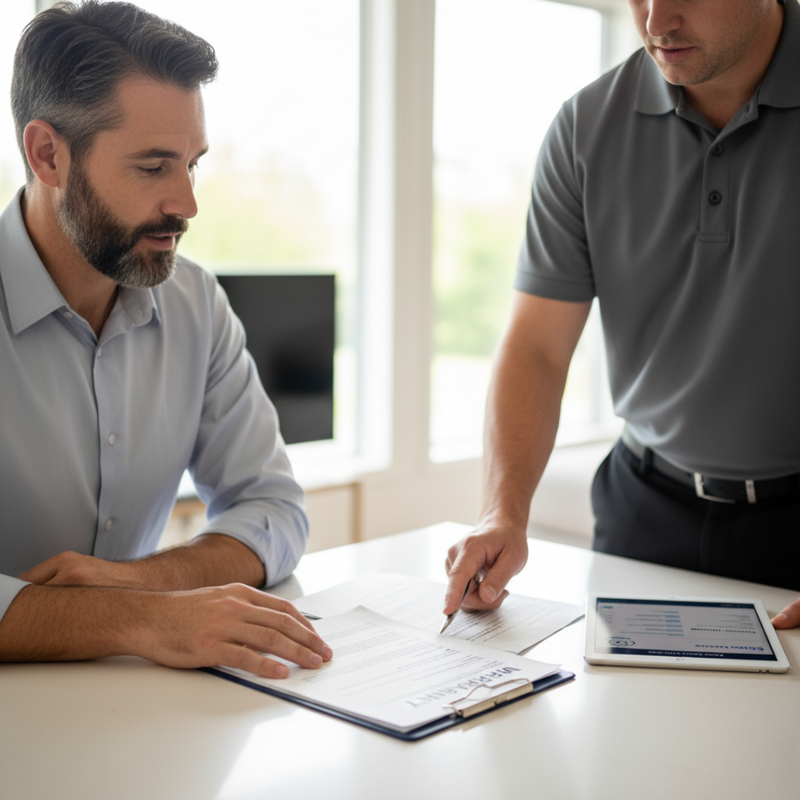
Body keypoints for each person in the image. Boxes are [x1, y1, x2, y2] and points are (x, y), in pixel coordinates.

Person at [0, 0, 332, 678]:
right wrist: (136, 619)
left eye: (192, 164)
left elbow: (272, 508)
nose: (186, 203)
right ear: (47, 154)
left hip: (143, 713)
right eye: (153, 168)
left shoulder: (196, 303)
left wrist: (136, 584)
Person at [444, 0, 800, 628]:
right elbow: (537, 348)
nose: (657, 19)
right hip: (643, 510)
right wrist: (503, 511)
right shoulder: (587, 125)